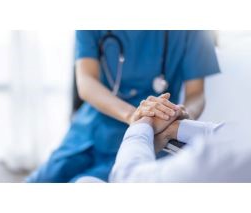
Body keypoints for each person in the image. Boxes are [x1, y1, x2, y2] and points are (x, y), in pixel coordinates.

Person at [26, 30, 220, 183]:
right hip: (92, 126)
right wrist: (133, 115)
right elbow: (86, 82)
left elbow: (196, 94)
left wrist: (182, 113)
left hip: (153, 134)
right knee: (41, 181)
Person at [109, 104, 251, 182]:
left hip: (134, 155)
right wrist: (175, 127)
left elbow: (127, 181)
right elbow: (232, 134)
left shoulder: (220, 160)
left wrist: (142, 123)